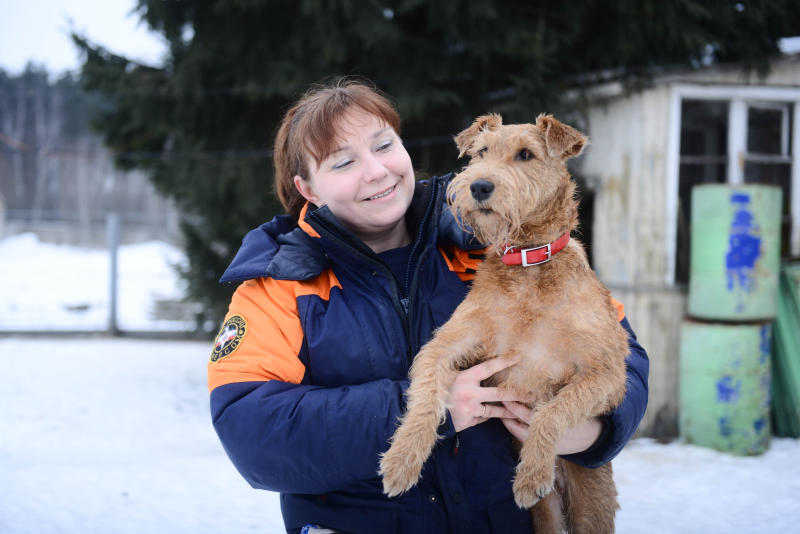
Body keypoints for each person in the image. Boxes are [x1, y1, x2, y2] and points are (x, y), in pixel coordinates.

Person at [208, 78, 649, 534]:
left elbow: (626, 358)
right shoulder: (277, 288)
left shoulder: (499, 242)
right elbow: (251, 431)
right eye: (344, 162)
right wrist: (430, 407)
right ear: (309, 189)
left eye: (384, 145)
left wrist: (595, 429)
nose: (376, 171)